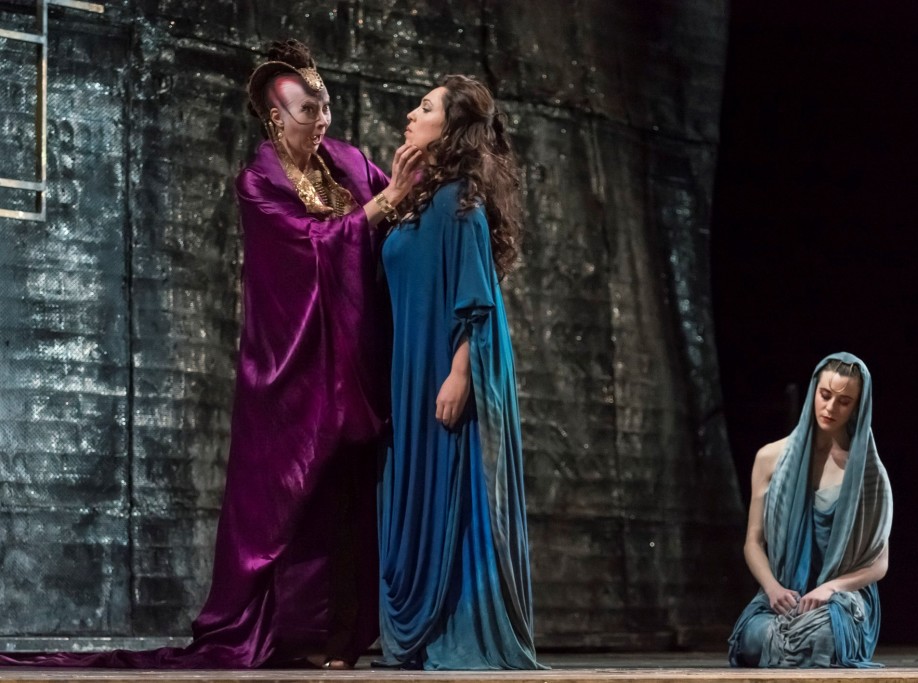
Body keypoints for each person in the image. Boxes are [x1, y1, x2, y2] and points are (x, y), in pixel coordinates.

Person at [1, 39, 421, 670]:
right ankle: (291, 635)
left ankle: (343, 640)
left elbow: (399, 212)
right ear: (277, 117)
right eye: (309, 110)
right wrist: (380, 209)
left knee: (352, 501)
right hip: (292, 372)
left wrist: (409, 194)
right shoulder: (258, 184)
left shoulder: (351, 164)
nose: (323, 120)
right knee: (291, 505)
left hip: (356, 367)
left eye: (327, 105)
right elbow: (312, 251)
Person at [375, 75, 542, 670]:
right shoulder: (420, 199)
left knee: (453, 491)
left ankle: (456, 625)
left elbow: (480, 302)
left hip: (445, 370)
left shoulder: (459, 202)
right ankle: (420, 628)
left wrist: (460, 374)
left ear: (450, 128)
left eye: (425, 108)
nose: (410, 114)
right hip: (409, 371)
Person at [728, 352, 893, 668]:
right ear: (813, 392)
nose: (830, 408)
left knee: (823, 635)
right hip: (784, 597)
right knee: (751, 637)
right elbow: (753, 542)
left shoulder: (868, 474)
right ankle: (797, 647)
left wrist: (830, 588)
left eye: (844, 401)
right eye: (825, 395)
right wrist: (773, 588)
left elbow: (879, 564)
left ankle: (798, 647)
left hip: (839, 602)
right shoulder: (770, 458)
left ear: (857, 407)